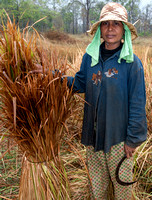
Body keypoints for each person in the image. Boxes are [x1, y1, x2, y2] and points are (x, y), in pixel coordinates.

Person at [67, 2, 147, 200]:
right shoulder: (90, 58)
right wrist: (52, 78)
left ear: (124, 30)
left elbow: (137, 103)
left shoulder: (131, 63)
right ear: (100, 30)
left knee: (122, 189)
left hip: (120, 140)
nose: (110, 29)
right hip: (94, 137)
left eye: (116, 24)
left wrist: (132, 140)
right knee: (98, 189)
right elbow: (80, 83)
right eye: (105, 24)